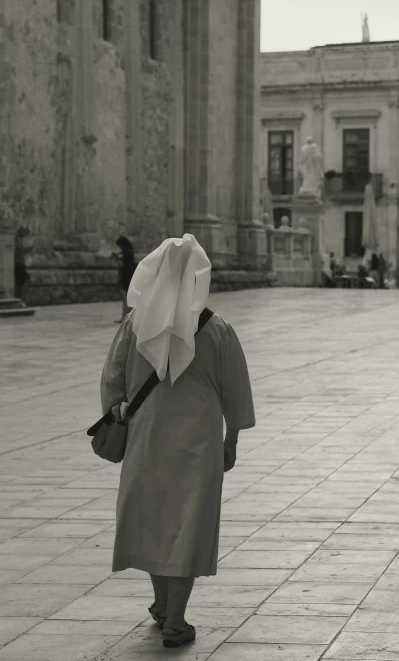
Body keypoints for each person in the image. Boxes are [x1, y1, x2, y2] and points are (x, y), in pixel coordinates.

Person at [101, 234, 256, 648]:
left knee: (153, 516)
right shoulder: (217, 328)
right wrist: (233, 437)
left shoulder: (135, 325)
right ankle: (176, 618)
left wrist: (118, 411)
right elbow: (235, 389)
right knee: (189, 520)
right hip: (200, 442)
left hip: (146, 437)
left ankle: (161, 604)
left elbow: (112, 382)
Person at [112, 236, 136, 322]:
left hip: (126, 276)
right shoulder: (129, 251)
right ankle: (129, 317)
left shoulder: (127, 252)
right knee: (128, 297)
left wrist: (117, 259)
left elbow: (125, 265)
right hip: (130, 275)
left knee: (125, 297)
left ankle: (125, 317)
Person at [14, 226, 33, 303]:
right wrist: (26, 250)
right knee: (23, 282)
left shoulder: (19, 242)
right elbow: (16, 252)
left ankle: (20, 301)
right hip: (18, 265)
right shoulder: (16, 242)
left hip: (21, 265)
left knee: (22, 283)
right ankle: (20, 301)